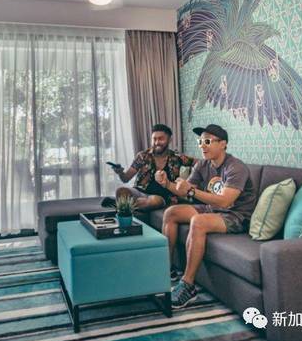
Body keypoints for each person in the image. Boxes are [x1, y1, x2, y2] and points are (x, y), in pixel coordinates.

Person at [157, 124, 256, 308]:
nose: (202, 145)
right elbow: (185, 190)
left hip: (237, 216)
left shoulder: (236, 167)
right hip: (213, 209)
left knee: (198, 221)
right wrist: (167, 184)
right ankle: (167, 269)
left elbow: (225, 202)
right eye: (201, 141)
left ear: (223, 144)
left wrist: (192, 192)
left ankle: (188, 285)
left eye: (208, 141)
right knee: (171, 212)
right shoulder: (202, 164)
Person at [102, 124, 195, 211]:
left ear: (169, 140)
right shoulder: (143, 156)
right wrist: (120, 172)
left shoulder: (177, 157)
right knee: (121, 191)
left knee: (153, 201)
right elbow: (125, 179)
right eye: (154, 139)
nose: (157, 142)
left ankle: (123, 206)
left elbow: (199, 163)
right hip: (139, 192)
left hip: (160, 196)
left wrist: (192, 180)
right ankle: (126, 205)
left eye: (161, 139)